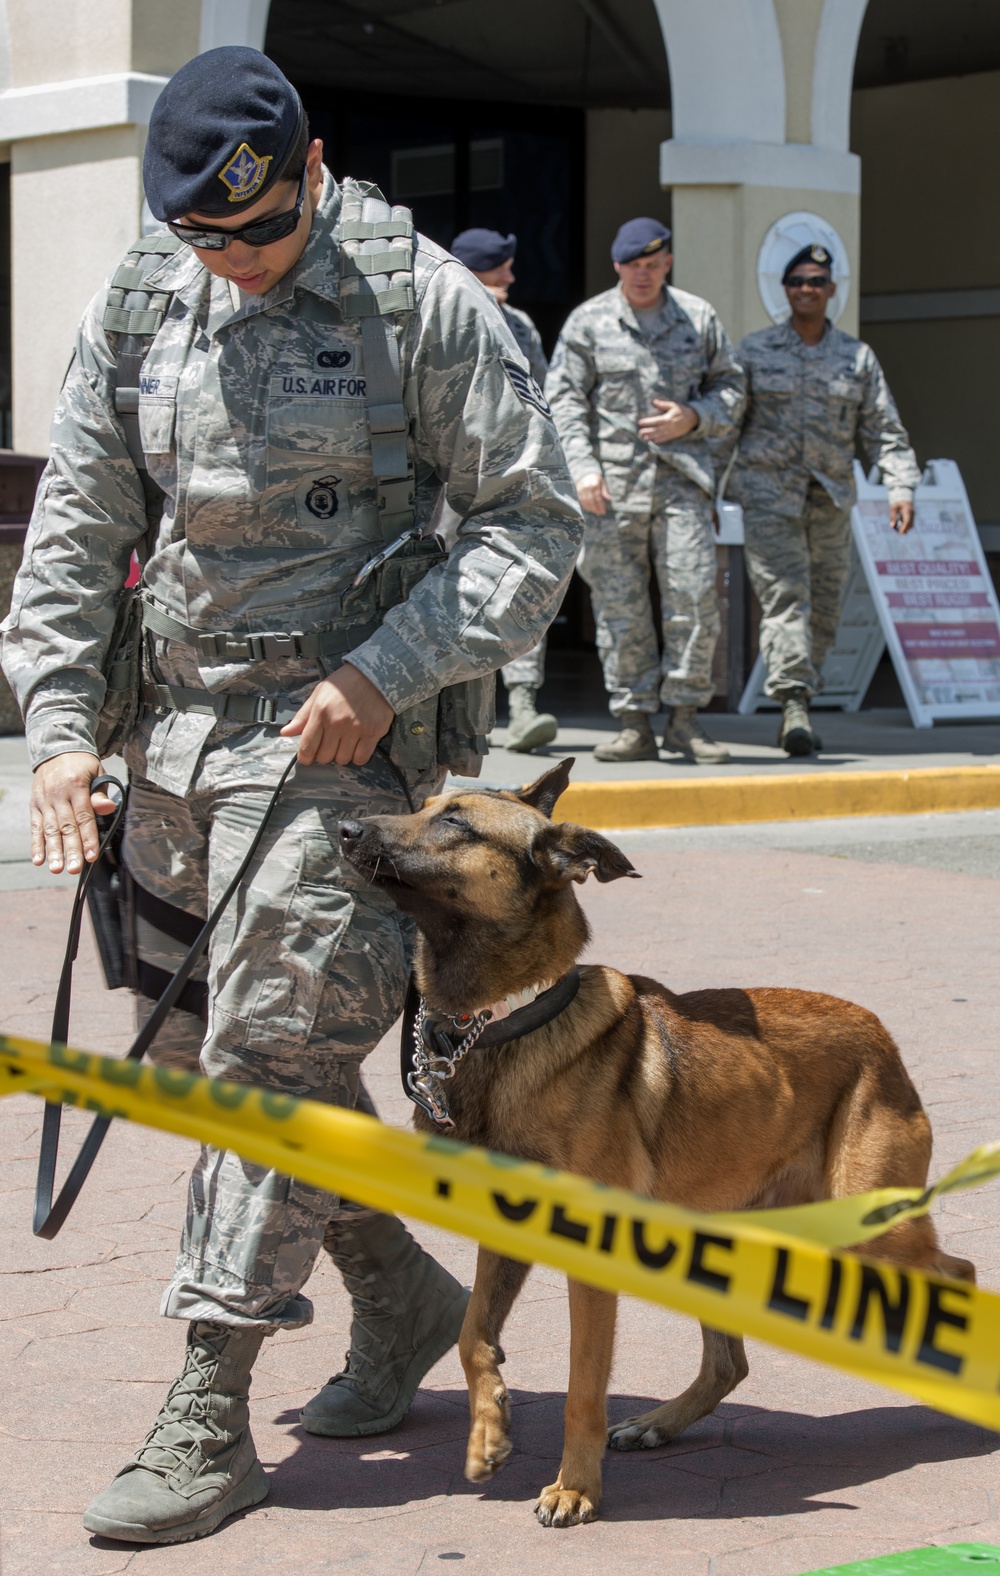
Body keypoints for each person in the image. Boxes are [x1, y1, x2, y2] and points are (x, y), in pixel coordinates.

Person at [1, 47, 581, 1546]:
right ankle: (397, 1304)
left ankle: (210, 1405)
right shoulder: (141, 302)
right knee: (237, 1071)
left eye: (258, 232)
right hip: (179, 744)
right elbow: (75, 529)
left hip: (346, 754)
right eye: (208, 238)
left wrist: (388, 671)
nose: (236, 263)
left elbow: (533, 525)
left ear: (312, 170)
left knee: (265, 1058)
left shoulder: (419, 304)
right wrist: (62, 734)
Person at [546, 217, 745, 763]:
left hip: (681, 484)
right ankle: (634, 722)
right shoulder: (589, 322)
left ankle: (685, 719)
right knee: (620, 609)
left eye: (653, 265)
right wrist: (583, 469)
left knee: (695, 597)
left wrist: (693, 416)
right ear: (618, 265)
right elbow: (561, 401)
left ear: (668, 263)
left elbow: (732, 388)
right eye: (634, 265)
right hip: (610, 490)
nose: (644, 274)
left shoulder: (697, 317)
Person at [729, 243, 920, 755]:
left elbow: (886, 431)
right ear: (784, 290)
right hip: (770, 497)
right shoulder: (752, 352)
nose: (807, 290)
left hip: (832, 500)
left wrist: (901, 486)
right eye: (797, 282)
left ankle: (801, 693)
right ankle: (794, 703)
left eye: (816, 281)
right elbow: (724, 428)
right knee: (786, 598)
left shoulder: (856, 358)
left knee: (826, 608)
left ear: (831, 290)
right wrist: (710, 490)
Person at [450, 226, 557, 753]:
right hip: (445, 487)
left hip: (506, 477)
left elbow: (540, 402)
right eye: (499, 268)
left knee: (515, 587)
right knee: (454, 597)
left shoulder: (520, 326)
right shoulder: (438, 313)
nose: (511, 278)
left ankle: (523, 707)